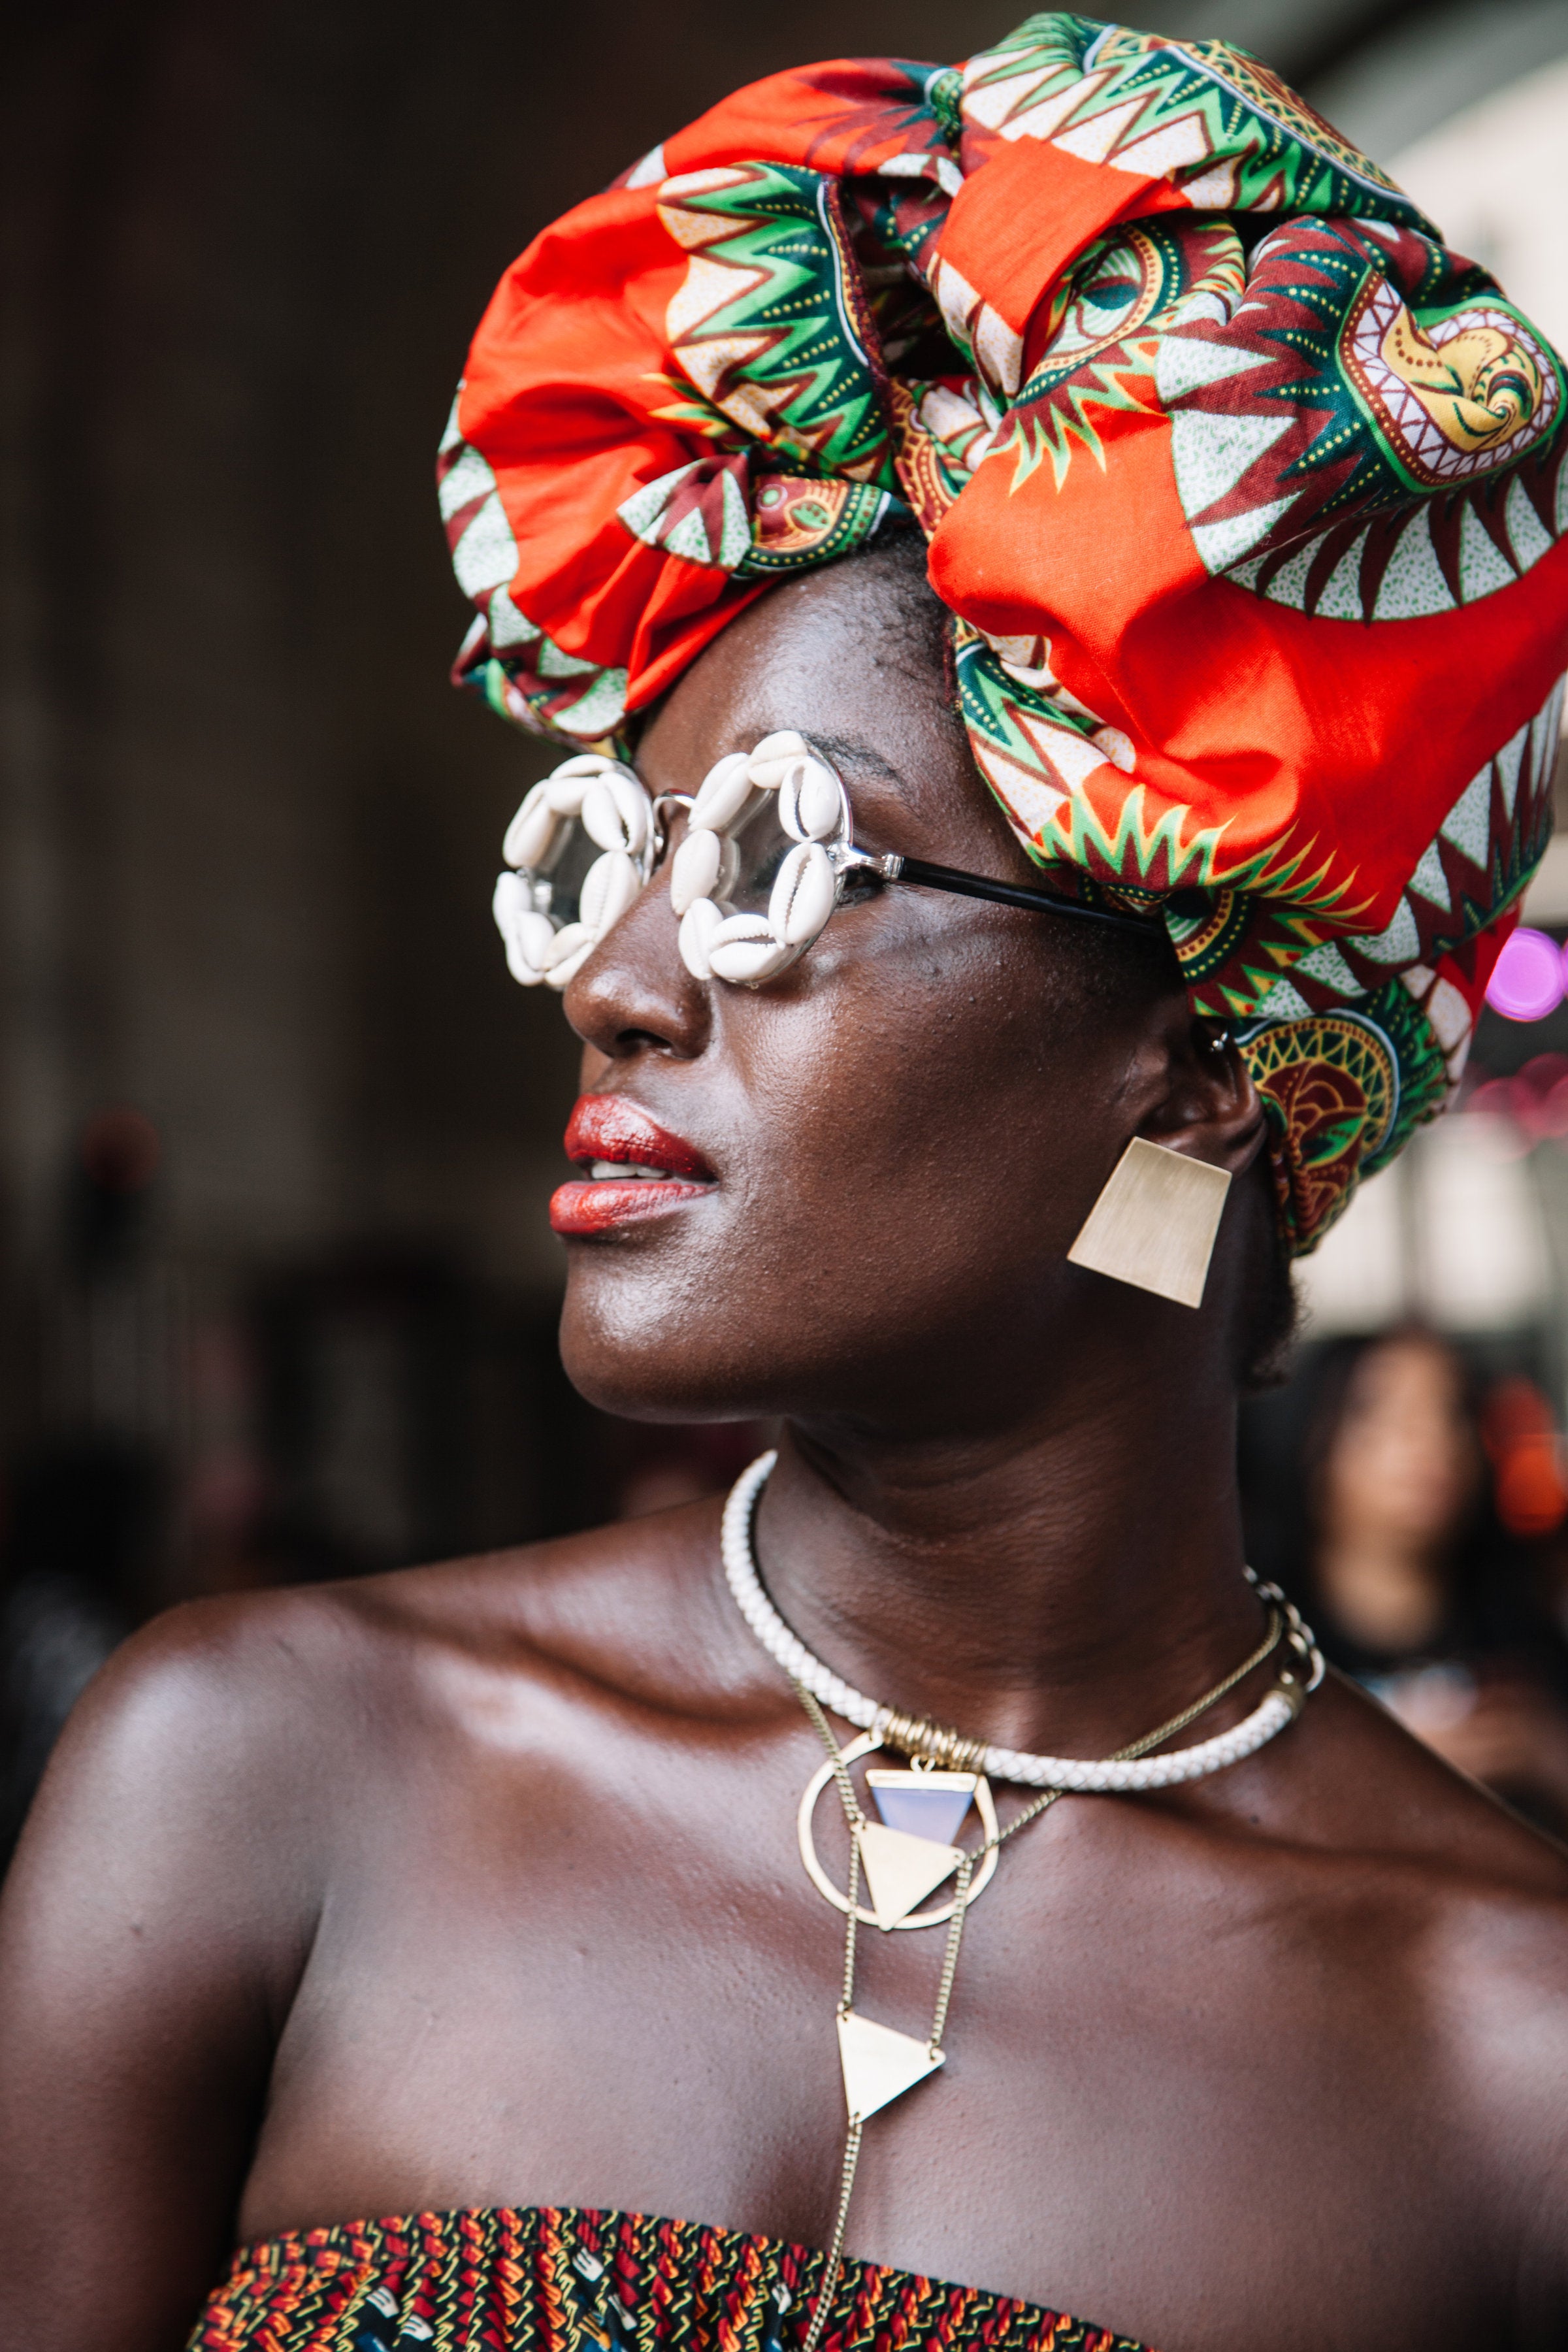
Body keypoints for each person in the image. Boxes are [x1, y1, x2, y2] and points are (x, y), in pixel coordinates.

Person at [5, 18, 1568, 2351]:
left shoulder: (1503, 2069)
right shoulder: (258, 1770)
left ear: (1204, 1063)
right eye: (614, 856)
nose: (616, 986)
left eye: (770, 863)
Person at [1249, 1328, 1568, 1835]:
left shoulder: (1529, 1637)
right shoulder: (1255, 1653)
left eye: (1453, 1411)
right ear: (1308, 1435)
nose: (1430, 1441)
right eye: (1378, 1411)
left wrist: (1547, 1755)